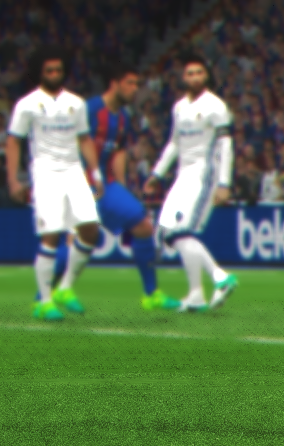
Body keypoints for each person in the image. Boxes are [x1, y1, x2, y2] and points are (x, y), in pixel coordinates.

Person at [6, 46, 104, 322]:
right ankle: (44, 301)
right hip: (46, 172)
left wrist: (96, 173)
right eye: (49, 70)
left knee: (90, 230)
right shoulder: (27, 104)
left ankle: (65, 287)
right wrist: (13, 179)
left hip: (73, 171)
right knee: (51, 234)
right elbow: (13, 141)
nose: (54, 74)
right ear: (40, 73)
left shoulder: (76, 103)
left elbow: (84, 138)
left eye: (58, 70)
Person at [143, 54, 238, 312]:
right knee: (167, 232)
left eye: (199, 72)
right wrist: (157, 174)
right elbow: (174, 143)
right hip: (183, 176)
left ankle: (219, 277)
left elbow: (226, 146)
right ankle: (196, 293)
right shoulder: (179, 107)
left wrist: (224, 182)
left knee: (181, 231)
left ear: (206, 76)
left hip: (204, 174)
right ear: (183, 78)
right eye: (190, 73)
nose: (194, 77)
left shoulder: (216, 106)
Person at [87, 63, 181, 311]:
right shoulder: (90, 109)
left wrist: (121, 187)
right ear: (114, 83)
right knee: (76, 240)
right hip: (78, 183)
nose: (135, 89)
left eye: (137, 84)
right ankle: (44, 298)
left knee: (143, 225)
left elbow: (118, 151)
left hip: (106, 185)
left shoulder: (123, 117)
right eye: (129, 83)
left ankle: (151, 294)